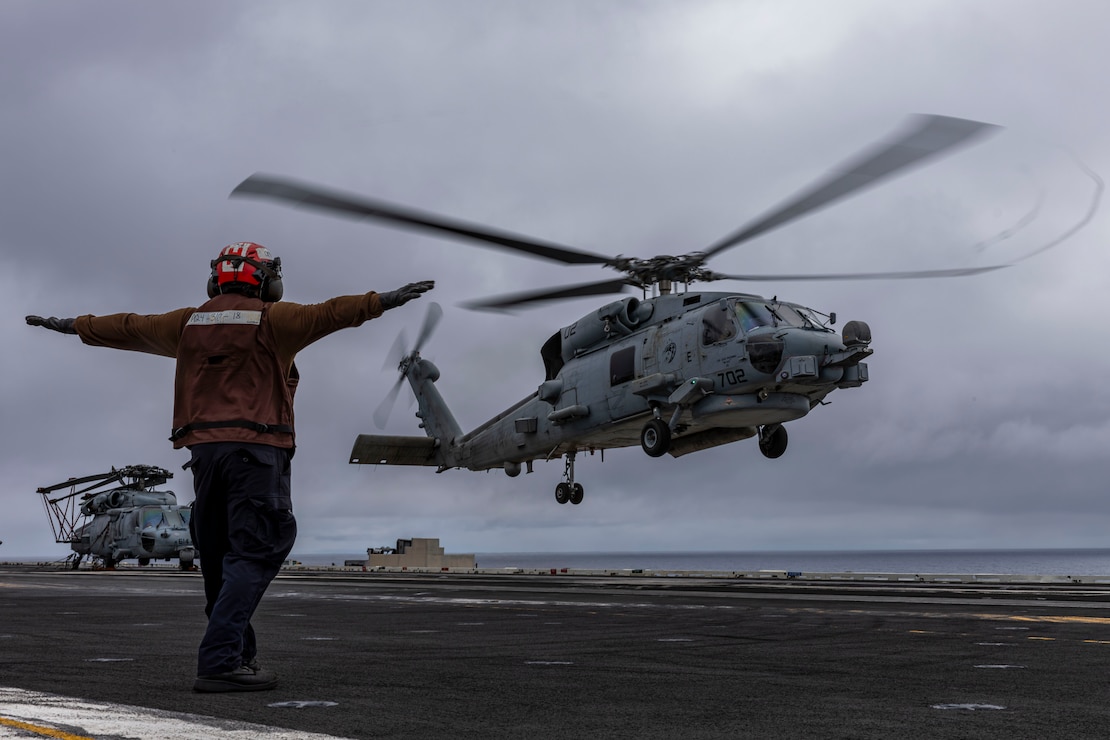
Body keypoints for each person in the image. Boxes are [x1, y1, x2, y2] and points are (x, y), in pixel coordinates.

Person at [26, 242, 433, 693]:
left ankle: (238, 654)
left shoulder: (187, 324)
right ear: (267, 280)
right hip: (256, 452)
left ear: (215, 280)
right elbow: (330, 312)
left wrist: (71, 326)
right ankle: (219, 661)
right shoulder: (273, 320)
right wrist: (380, 302)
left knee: (219, 559)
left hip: (204, 457)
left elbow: (128, 326)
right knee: (258, 548)